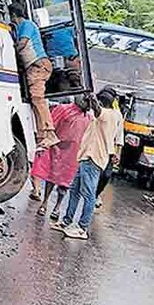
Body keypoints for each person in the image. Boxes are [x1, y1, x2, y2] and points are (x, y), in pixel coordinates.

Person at [53, 86, 123, 240]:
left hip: (93, 158)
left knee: (89, 194)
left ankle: (82, 228)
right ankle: (66, 221)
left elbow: (98, 110)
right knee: (75, 190)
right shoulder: (108, 114)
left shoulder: (110, 115)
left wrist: (91, 97)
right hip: (86, 156)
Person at [30, 94, 94, 218]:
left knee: (64, 183)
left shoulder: (89, 118)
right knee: (51, 178)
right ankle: (45, 202)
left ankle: (57, 207)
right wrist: (48, 143)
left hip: (73, 154)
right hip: (58, 149)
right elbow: (51, 125)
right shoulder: (64, 109)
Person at [9, 2, 57, 149]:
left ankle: (50, 134)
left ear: (14, 15)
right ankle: (42, 135)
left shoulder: (27, 25)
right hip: (33, 66)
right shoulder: (20, 27)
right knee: (34, 99)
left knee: (37, 98)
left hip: (38, 64)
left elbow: (22, 44)